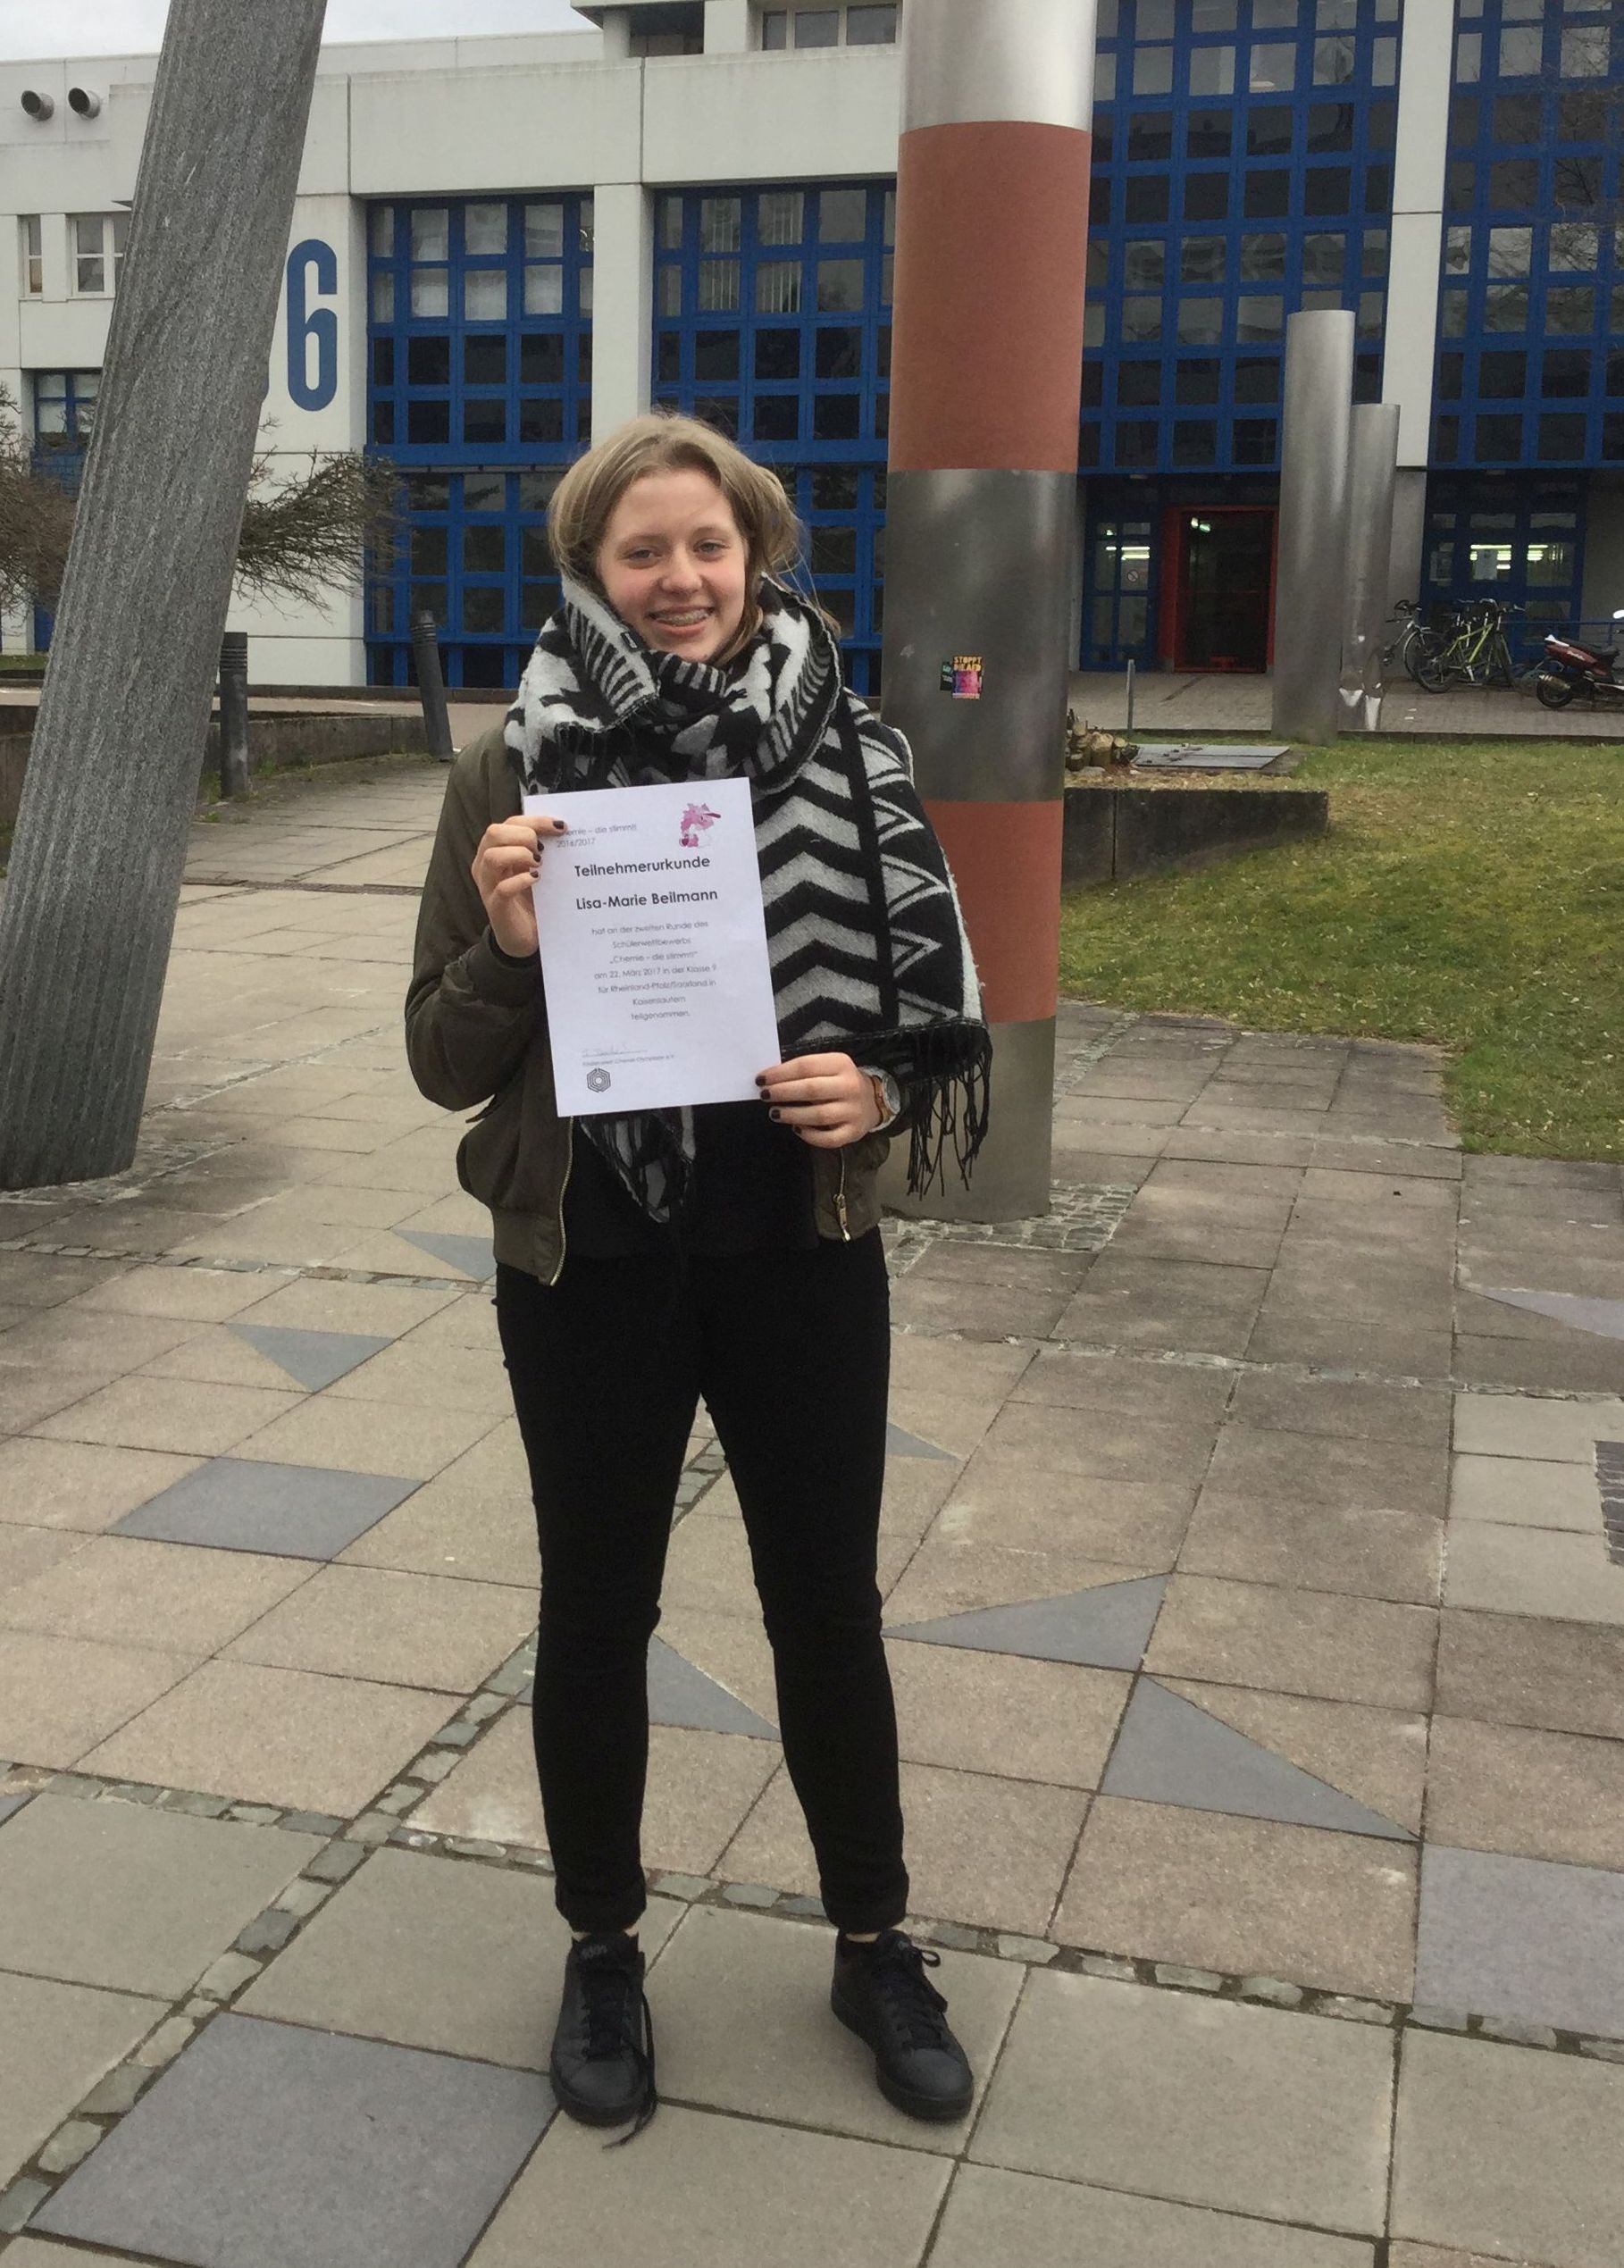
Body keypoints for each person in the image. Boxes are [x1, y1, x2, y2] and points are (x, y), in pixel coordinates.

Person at [406, 412, 990, 2140]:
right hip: (588, 1257)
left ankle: (872, 1942)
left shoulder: (859, 750)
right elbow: (440, 1059)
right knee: (597, 1610)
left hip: (799, 1251)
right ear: (591, 570)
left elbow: (925, 1014)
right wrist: (509, 947)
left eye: (707, 546)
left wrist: (878, 1093)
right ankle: (602, 1948)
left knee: (827, 1607)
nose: (680, 579)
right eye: (641, 551)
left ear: (758, 557)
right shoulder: (510, 768)